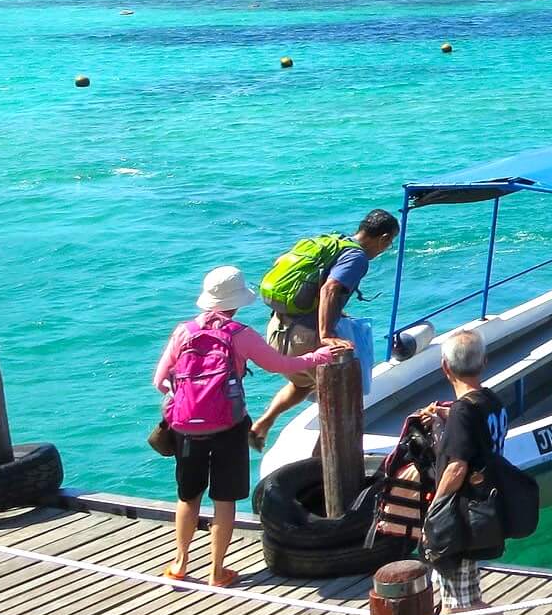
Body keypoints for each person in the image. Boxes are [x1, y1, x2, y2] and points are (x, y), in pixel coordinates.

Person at [153, 266, 342, 584]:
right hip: (229, 426)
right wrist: (318, 357)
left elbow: (160, 382)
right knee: (224, 499)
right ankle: (217, 571)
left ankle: (180, 565)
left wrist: (188, 402)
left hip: (185, 428)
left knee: (188, 497)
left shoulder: (183, 331)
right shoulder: (239, 335)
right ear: (236, 302)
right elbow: (280, 365)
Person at [428, 327, 552, 615]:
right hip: (487, 509)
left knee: (467, 598)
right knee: (455, 587)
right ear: (483, 362)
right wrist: (447, 415)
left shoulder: (461, 415)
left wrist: (435, 509)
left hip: (462, 514)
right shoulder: (492, 403)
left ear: (444, 368)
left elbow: (456, 466)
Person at [251, 209, 400, 450]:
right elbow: (329, 289)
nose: (386, 247)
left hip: (278, 328)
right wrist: (326, 334)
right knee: (341, 402)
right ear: (383, 238)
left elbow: (310, 280)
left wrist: (335, 313)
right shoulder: (357, 257)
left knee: (302, 384)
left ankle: (264, 422)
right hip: (307, 338)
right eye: (389, 242)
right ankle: (324, 460)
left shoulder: (333, 242)